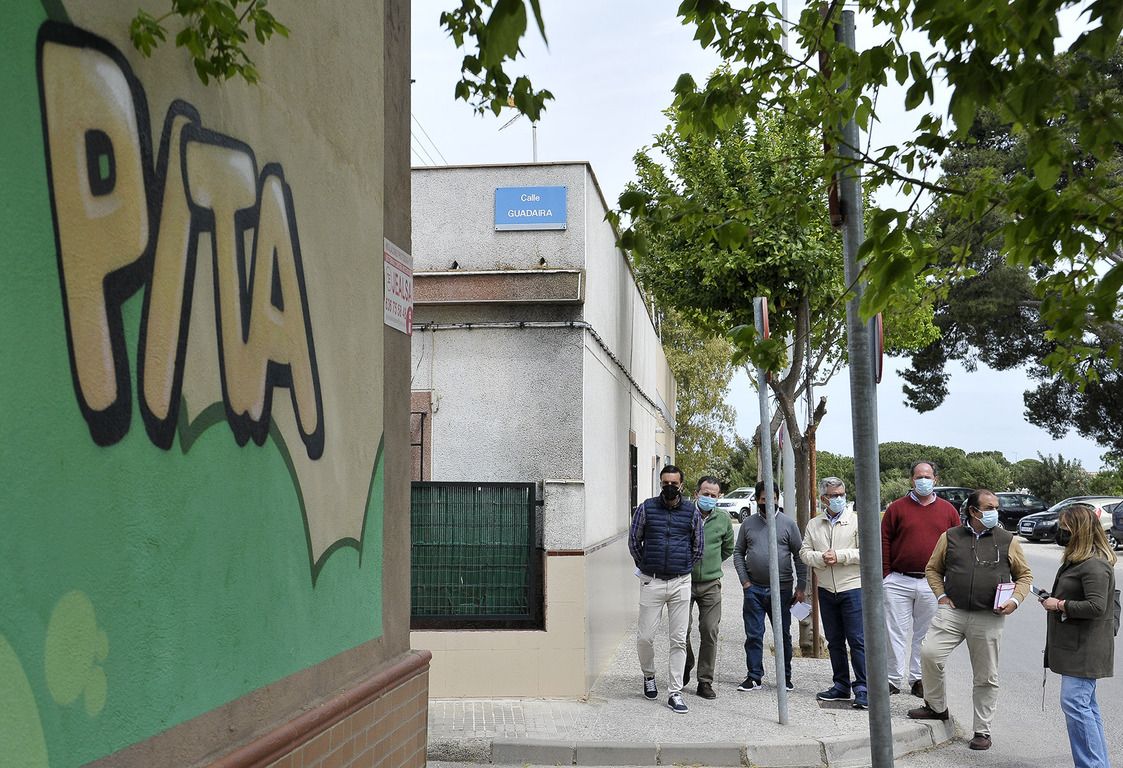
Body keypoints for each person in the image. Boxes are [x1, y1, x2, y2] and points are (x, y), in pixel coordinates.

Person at [907, 489, 1033, 751]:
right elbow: (933, 568)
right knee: (929, 654)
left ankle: (982, 731)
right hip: (952, 612)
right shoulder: (951, 537)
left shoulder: (1007, 539)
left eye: (996, 507)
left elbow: (1024, 576)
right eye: (989, 507)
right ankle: (936, 707)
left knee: (986, 676)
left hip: (989, 616)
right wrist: (941, 595)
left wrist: (1015, 601)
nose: (994, 512)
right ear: (973, 511)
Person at [1039, 503, 1117, 767]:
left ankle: (1092, 765)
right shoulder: (1080, 561)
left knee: (1076, 705)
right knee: (1085, 708)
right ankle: (1097, 764)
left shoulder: (1094, 565)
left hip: (1086, 649)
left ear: (1079, 531)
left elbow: (1097, 606)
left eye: (1065, 528)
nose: (1060, 532)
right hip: (1078, 646)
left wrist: (1059, 605)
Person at [881, 460, 961, 697]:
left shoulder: (948, 511)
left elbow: (957, 547)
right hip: (898, 580)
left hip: (932, 583)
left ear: (935, 479)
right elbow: (884, 541)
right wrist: (885, 575)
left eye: (927, 477)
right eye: (918, 477)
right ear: (911, 480)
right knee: (894, 631)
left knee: (925, 634)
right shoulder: (896, 508)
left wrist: (950, 582)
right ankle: (892, 679)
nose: (923, 481)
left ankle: (918, 679)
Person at [629, 464, 705, 714]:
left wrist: (683, 566)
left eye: (674, 483)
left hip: (680, 582)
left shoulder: (691, 511)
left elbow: (698, 547)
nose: (670, 487)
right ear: (660, 484)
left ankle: (675, 692)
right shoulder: (647, 508)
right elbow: (634, 540)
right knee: (645, 637)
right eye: (665, 483)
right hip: (652, 581)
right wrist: (645, 563)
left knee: (678, 639)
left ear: (681, 485)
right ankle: (648, 675)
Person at [800, 477, 868, 710]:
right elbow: (804, 552)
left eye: (841, 494)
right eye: (834, 495)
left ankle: (863, 688)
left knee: (857, 641)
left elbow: (867, 552)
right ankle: (841, 685)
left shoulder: (856, 521)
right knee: (834, 641)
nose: (839, 498)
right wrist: (821, 558)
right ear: (823, 498)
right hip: (826, 590)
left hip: (852, 588)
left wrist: (840, 556)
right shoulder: (814, 524)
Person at [733, 480, 807, 692]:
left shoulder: (788, 524)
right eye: (764, 499)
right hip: (754, 590)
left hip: (782, 591)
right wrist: (745, 582)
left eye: (772, 499)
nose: (769, 503)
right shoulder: (748, 524)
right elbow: (738, 553)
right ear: (757, 500)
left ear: (777, 499)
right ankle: (754, 676)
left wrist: (801, 587)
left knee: (782, 635)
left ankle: (785, 678)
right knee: (754, 635)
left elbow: (799, 557)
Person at [684, 475, 735, 699]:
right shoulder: (684, 514)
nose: (709, 498)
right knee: (681, 631)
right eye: (706, 494)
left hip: (711, 585)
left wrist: (711, 565)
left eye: (713, 495)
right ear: (697, 494)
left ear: (719, 497)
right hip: (683, 581)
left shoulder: (723, 519)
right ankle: (685, 662)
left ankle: (705, 680)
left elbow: (728, 549)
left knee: (710, 631)